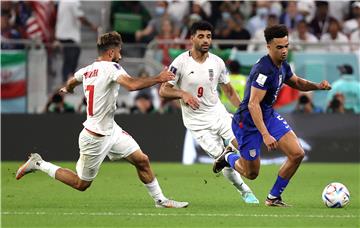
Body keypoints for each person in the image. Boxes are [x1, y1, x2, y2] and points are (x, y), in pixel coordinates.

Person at [16, 31, 188, 209]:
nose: (120, 56)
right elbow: (131, 85)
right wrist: (158, 78)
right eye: (119, 51)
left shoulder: (87, 70)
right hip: (95, 136)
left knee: (142, 160)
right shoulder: (112, 68)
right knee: (81, 184)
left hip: (111, 130)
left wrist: (67, 89)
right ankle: (38, 163)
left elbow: (72, 80)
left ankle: (160, 200)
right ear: (111, 53)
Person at [213, 24, 331, 207]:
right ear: (268, 47)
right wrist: (266, 134)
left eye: (286, 46)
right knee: (251, 174)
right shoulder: (263, 70)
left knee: (297, 153)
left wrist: (317, 86)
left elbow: (297, 82)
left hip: (267, 114)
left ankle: (273, 197)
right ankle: (228, 157)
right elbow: (253, 104)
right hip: (248, 121)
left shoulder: (283, 66)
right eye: (279, 47)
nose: (284, 51)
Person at [159, 21, 259, 204]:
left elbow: (229, 91)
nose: (206, 40)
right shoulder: (180, 62)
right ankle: (245, 191)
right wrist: (182, 94)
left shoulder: (217, 62)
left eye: (209, 36)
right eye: (201, 36)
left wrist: (243, 111)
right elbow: (163, 90)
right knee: (224, 158)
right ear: (192, 38)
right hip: (197, 123)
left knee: (243, 145)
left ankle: (228, 155)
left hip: (219, 114)